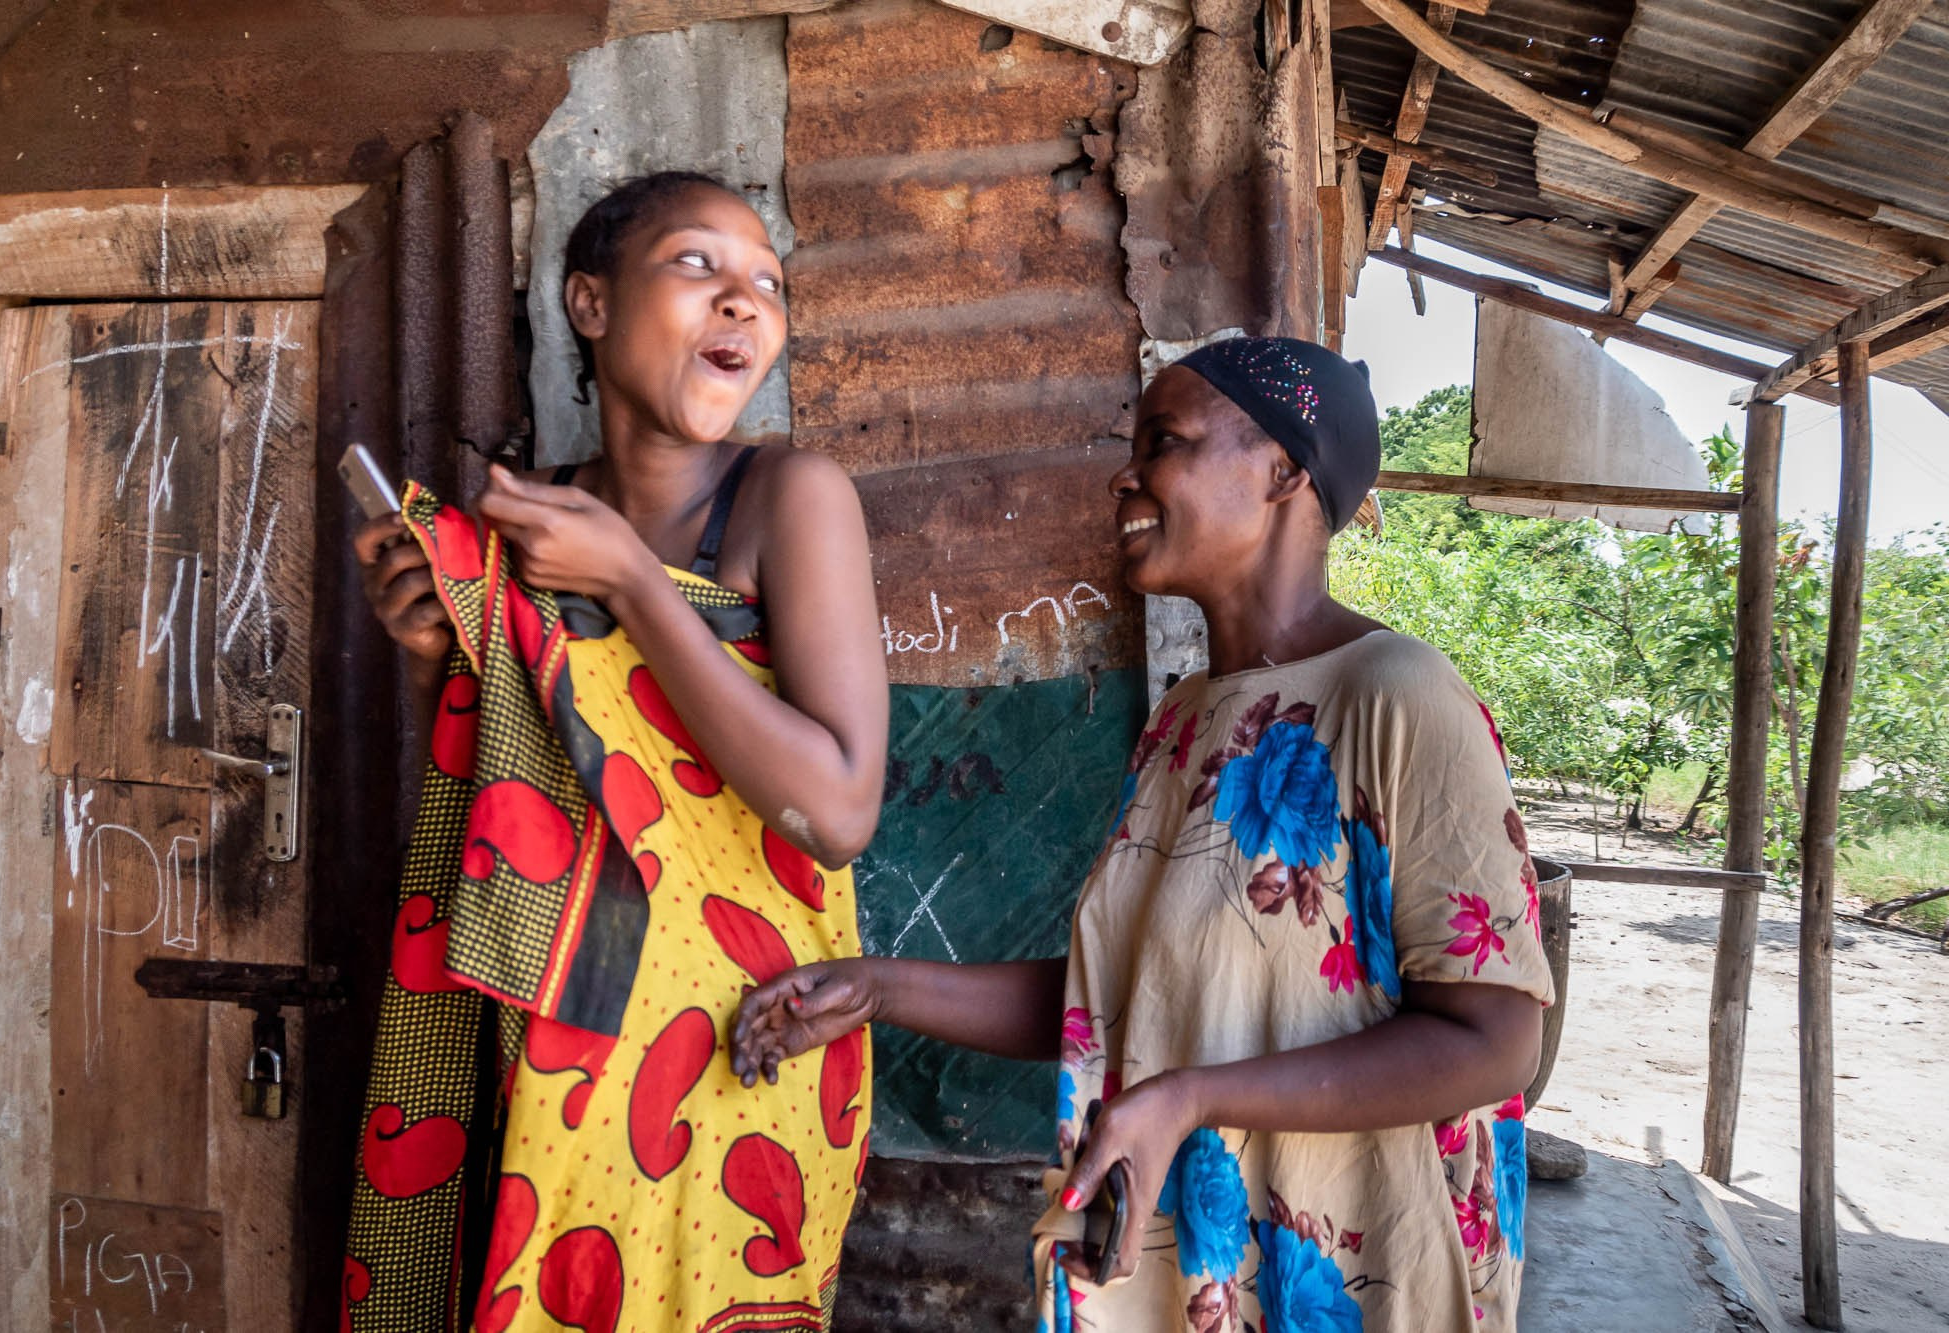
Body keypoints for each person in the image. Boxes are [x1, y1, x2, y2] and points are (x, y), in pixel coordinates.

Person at [732, 337, 1553, 1333]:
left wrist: (1188, 1097)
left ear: (1282, 471)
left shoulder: (1398, 698)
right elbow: (1122, 1000)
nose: (1123, 476)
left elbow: (1495, 1040)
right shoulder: (1182, 721)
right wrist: (877, 988)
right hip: (1194, 1274)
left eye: (1163, 441)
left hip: (1351, 1275)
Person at [345, 172, 888, 1333]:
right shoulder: (528, 522)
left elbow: (839, 812)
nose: (742, 301)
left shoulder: (787, 497)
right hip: (556, 1040)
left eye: (767, 285)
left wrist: (634, 583)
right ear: (588, 304)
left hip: (745, 1045)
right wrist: (434, 651)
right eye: (697, 263)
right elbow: (506, 779)